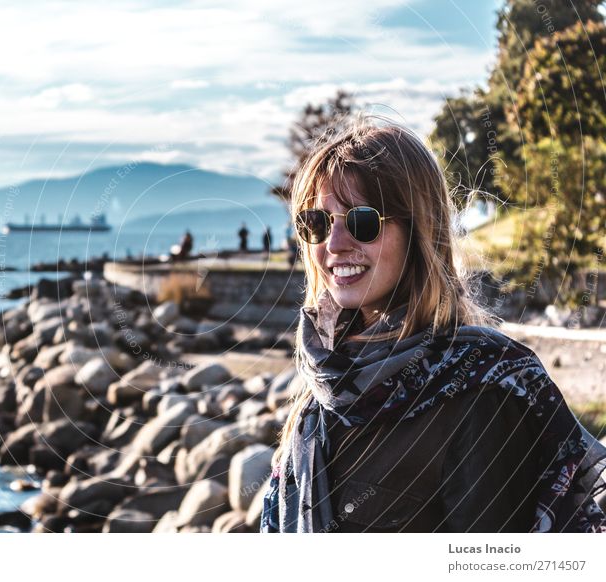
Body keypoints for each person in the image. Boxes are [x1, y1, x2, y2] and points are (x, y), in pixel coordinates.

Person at [260, 115, 606, 533]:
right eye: (316, 223)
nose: (333, 245)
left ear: (419, 229)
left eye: (361, 221)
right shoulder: (327, 388)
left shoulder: (484, 390)